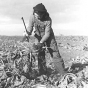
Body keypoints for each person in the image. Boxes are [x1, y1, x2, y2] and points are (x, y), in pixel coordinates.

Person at [25, 3, 66, 77]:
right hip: (38, 35)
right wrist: (27, 32)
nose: (37, 16)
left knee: (54, 53)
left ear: (42, 14)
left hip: (49, 36)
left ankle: (62, 73)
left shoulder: (48, 19)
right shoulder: (32, 16)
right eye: (35, 14)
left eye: (38, 15)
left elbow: (47, 34)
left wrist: (41, 42)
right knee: (40, 53)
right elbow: (30, 27)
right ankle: (43, 73)